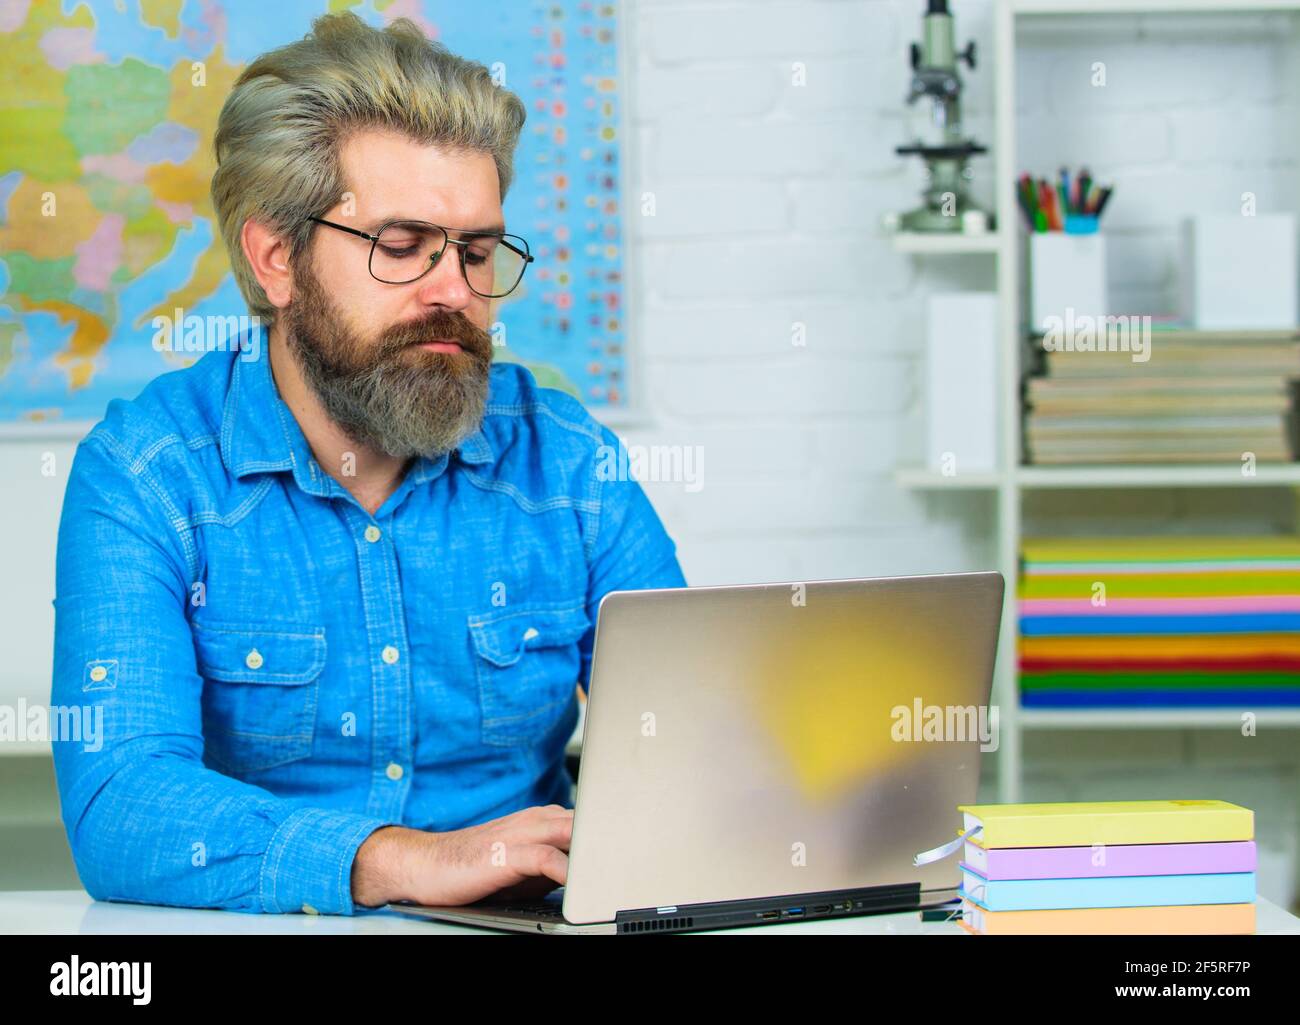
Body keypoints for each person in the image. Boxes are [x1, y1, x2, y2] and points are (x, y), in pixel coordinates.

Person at [51, 11, 684, 916]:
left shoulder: (571, 463)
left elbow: (686, 739)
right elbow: (123, 805)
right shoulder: (147, 474)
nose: (454, 293)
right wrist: (397, 862)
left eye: (476, 250)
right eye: (401, 248)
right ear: (276, 258)